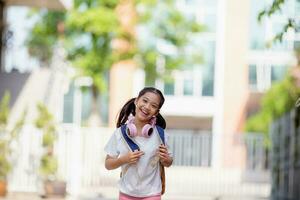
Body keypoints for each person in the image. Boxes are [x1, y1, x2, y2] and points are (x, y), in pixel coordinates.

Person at [104, 87, 173, 200]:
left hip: (152, 194)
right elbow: (108, 164)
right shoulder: (120, 134)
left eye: (153, 106)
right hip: (126, 193)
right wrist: (124, 160)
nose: (147, 107)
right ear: (137, 101)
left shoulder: (161, 135)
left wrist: (166, 159)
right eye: (145, 101)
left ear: (157, 112)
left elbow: (169, 162)